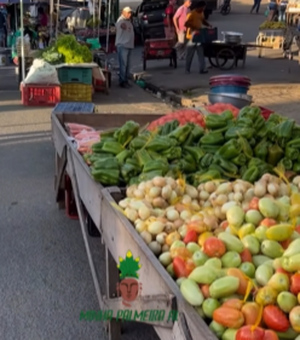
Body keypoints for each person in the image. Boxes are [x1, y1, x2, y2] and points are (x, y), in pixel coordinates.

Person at [185, 1, 211, 74]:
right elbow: (186, 24)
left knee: (201, 54)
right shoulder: (191, 14)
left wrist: (208, 25)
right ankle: (187, 69)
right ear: (199, 7)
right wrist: (194, 28)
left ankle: (202, 69)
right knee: (190, 54)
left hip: (199, 36)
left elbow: (202, 20)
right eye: (203, 7)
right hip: (192, 37)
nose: (204, 9)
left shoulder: (201, 13)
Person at [115, 7, 135, 88]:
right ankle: (122, 81)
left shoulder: (128, 21)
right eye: (128, 13)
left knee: (127, 65)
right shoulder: (121, 20)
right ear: (123, 12)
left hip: (129, 45)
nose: (130, 15)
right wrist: (124, 25)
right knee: (123, 64)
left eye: (130, 13)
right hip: (122, 45)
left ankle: (126, 80)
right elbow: (121, 25)